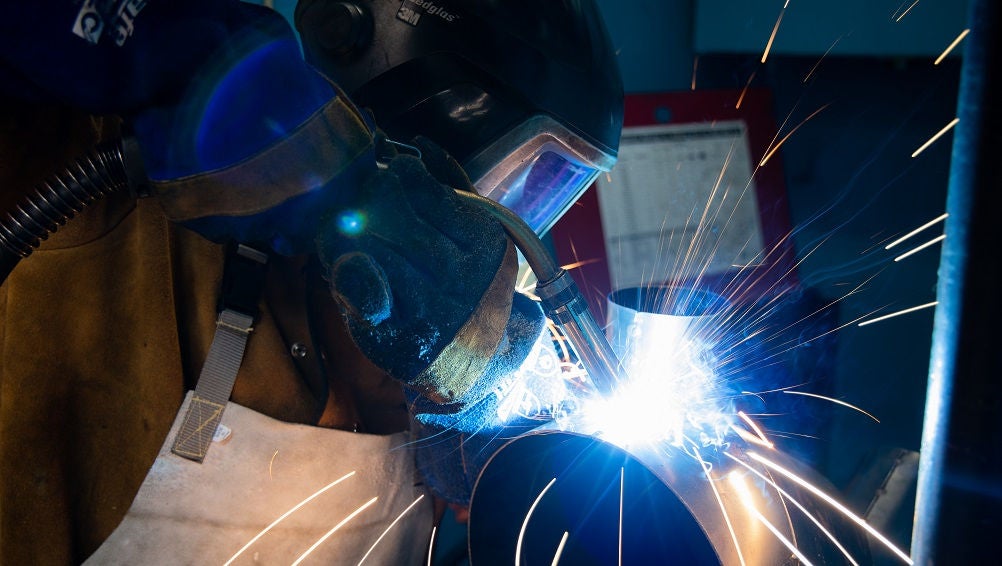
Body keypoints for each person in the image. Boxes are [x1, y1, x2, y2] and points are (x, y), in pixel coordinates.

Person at [0, 0, 622, 563]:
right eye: (523, 175)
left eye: (553, 192)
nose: (515, 223)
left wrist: (496, 488)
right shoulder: (124, 184)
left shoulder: (437, 346)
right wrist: (220, 81)